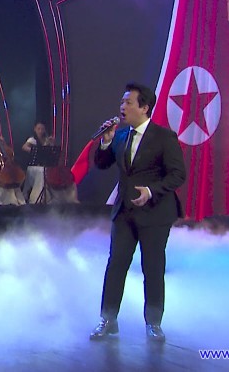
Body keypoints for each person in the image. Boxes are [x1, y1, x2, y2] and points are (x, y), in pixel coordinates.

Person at [89, 83, 186, 344]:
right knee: (116, 265)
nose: (122, 107)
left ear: (144, 107)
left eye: (128, 102)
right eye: (122, 102)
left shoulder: (164, 137)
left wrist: (152, 191)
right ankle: (108, 319)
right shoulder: (121, 135)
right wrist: (106, 141)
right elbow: (102, 164)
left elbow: (178, 174)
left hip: (155, 213)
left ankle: (153, 323)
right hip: (124, 213)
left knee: (152, 268)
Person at [20, 121, 54, 203]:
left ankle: (47, 196)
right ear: (35, 129)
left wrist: (51, 143)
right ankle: (37, 197)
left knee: (47, 170)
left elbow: (51, 152)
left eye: (42, 129)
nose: (40, 131)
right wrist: (34, 151)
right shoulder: (32, 140)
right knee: (41, 171)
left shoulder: (46, 140)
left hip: (42, 165)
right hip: (33, 166)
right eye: (38, 129)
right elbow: (24, 147)